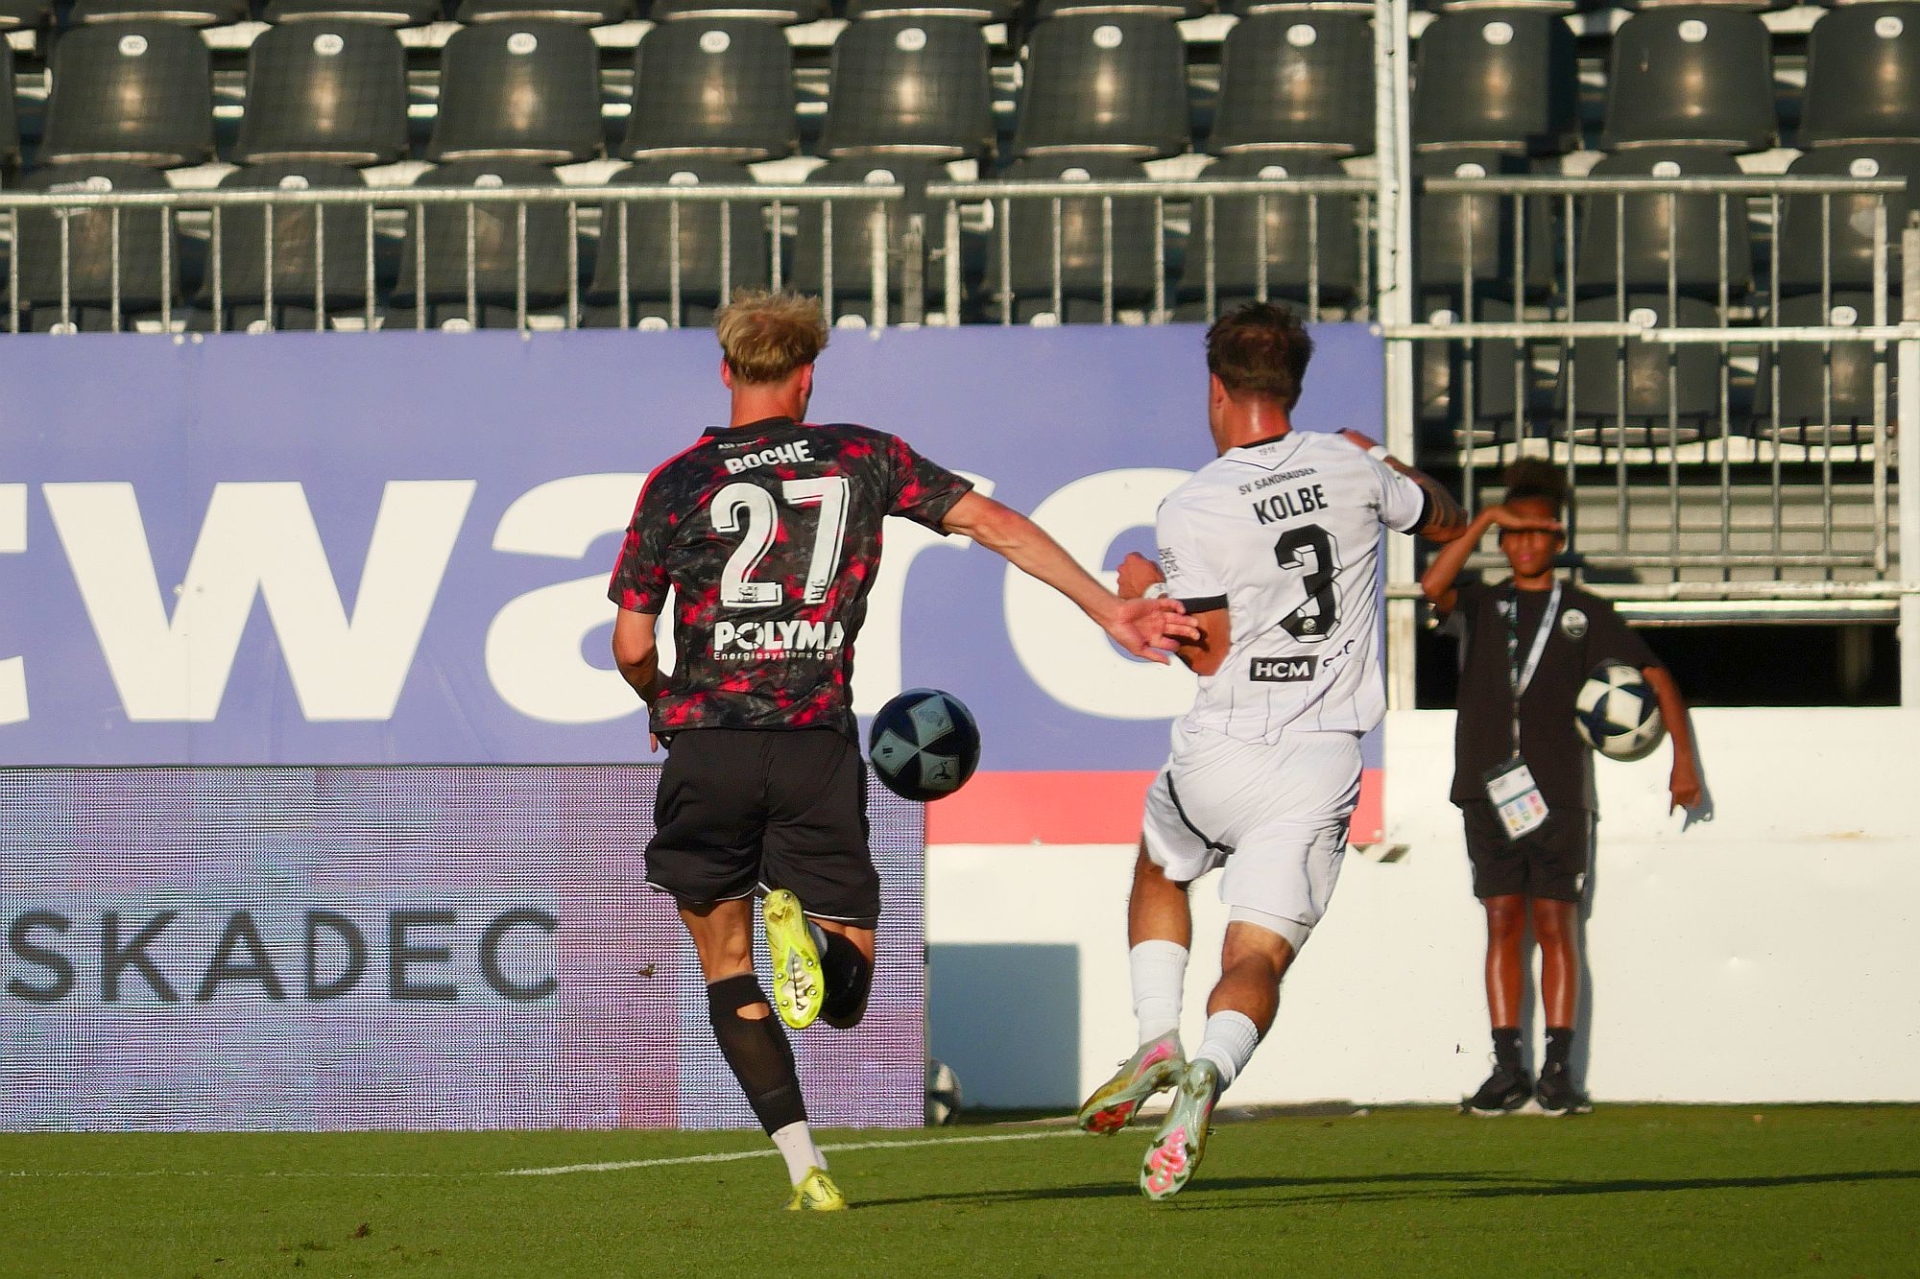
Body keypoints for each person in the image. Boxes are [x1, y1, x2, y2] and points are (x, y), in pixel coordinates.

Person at [607, 290, 1200, 1212]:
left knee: (728, 966)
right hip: (814, 748)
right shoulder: (863, 456)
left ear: (725, 370)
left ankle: (805, 1169)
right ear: (809, 376)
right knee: (844, 999)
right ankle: (812, 941)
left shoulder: (676, 483)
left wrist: (663, 701)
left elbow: (632, 645)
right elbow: (995, 524)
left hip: (707, 745)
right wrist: (1106, 607)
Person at [1076, 302, 1469, 1201]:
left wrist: (1144, 585)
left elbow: (1206, 652)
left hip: (1221, 747)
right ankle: (1211, 1070)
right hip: (1319, 759)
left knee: (1160, 866)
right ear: (1293, 384)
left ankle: (1156, 1035)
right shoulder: (1352, 466)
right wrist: (1385, 458)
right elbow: (1446, 520)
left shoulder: (1195, 503)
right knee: (1256, 956)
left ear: (1216, 388)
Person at [1421, 458, 1703, 1117]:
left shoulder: (1584, 611)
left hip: (1560, 795)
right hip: (1486, 787)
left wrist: (1683, 761)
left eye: (1538, 531)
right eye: (1513, 531)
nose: (1525, 543)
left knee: (1556, 923)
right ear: (1500, 539)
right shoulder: (1482, 603)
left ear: (1559, 537)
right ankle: (1507, 1067)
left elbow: (1655, 675)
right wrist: (1486, 516)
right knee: (1501, 920)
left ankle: (1558, 1070)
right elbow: (1432, 584)